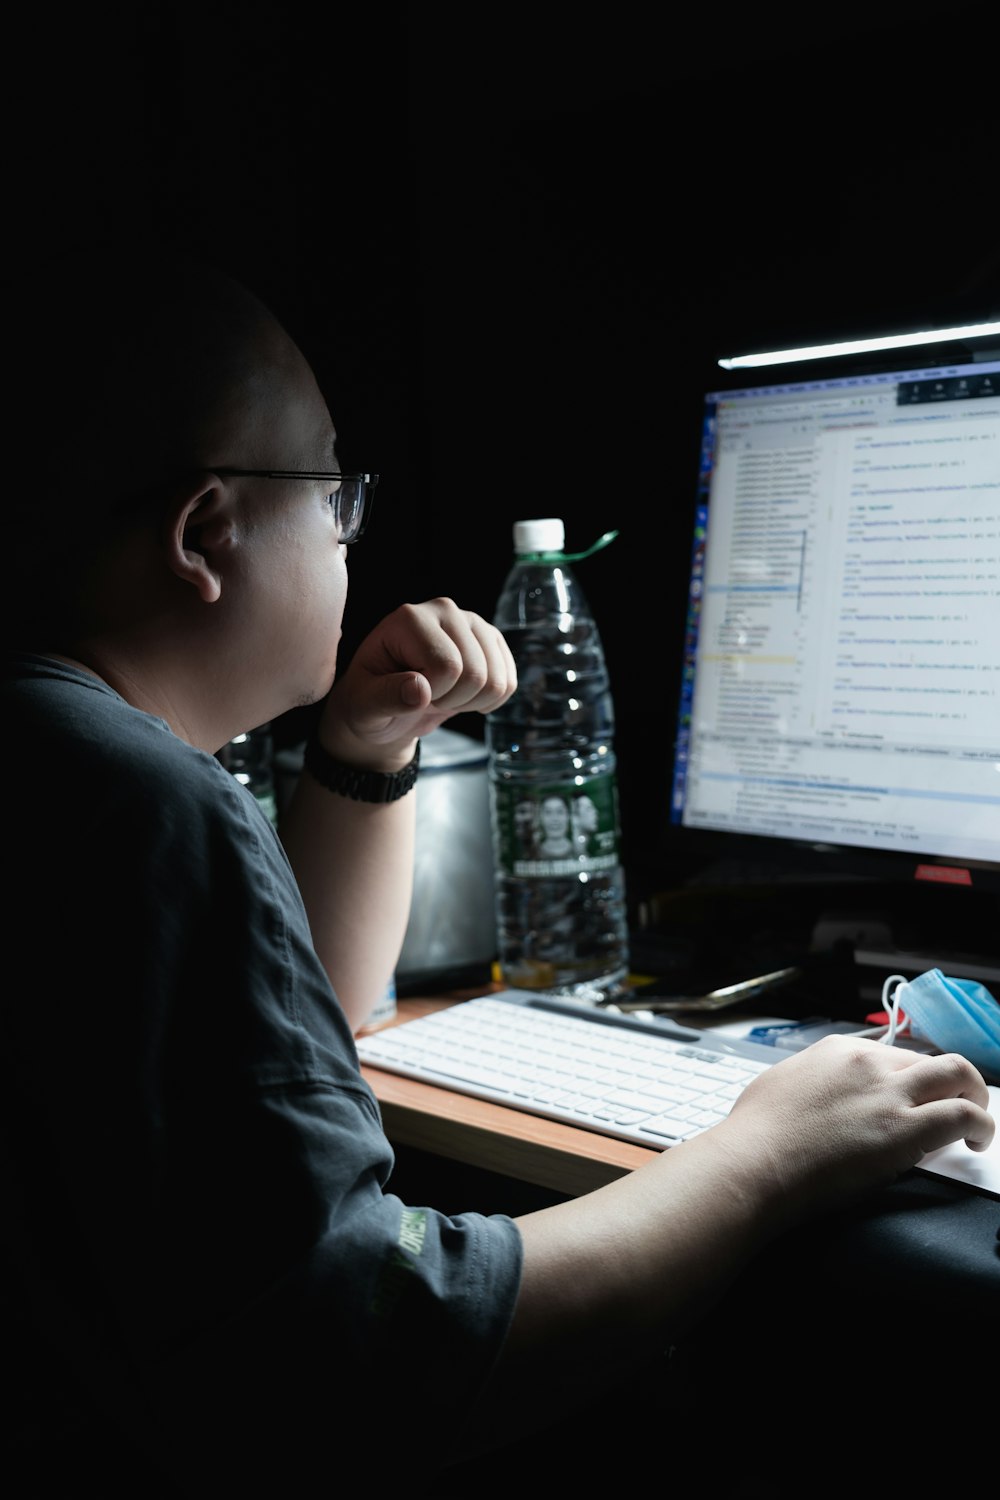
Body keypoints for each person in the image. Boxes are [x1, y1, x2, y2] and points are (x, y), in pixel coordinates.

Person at [3, 246, 994, 1496]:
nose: (349, 526)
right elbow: (371, 1360)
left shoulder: (61, 764)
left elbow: (297, 1013)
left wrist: (367, 752)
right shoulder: (139, 801)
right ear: (206, 533)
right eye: (333, 491)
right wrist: (766, 1154)